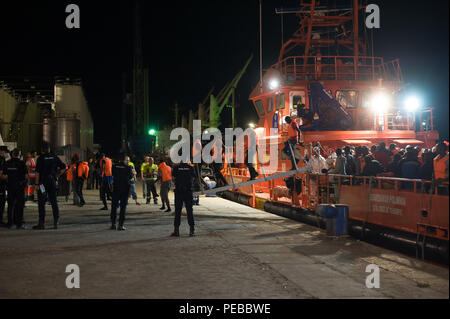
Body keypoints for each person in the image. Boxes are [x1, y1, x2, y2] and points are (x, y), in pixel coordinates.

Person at [33, 142, 67, 230]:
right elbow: (64, 168)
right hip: (52, 181)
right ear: (49, 149)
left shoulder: (40, 158)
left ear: (42, 149)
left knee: (41, 203)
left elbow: (37, 172)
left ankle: (41, 224)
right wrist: (57, 176)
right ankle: (56, 222)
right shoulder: (55, 157)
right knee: (54, 202)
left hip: (42, 183)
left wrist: (36, 184)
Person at [0, 149, 28, 229]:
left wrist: (9, 179)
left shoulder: (7, 163)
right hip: (20, 187)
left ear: (12, 154)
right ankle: (19, 223)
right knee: (19, 205)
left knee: (10, 205)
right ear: (19, 155)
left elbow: (3, 176)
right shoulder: (22, 163)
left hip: (10, 187)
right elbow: (26, 176)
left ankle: (10, 223)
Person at [171, 159, 196, 237]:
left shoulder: (176, 168)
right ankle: (192, 230)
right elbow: (194, 178)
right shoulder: (191, 168)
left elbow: (173, 178)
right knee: (189, 211)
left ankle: (176, 231)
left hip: (179, 191)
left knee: (178, 211)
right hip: (188, 192)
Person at [110, 155, 134, 231]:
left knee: (114, 206)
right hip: (125, 189)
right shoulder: (128, 167)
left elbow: (113, 174)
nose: (128, 162)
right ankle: (120, 225)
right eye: (127, 160)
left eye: (129, 161)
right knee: (123, 207)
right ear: (124, 160)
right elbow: (130, 176)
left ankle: (113, 224)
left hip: (116, 188)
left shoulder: (114, 166)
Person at [0, 146, 8, 226]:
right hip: (1, 184)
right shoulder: (1, 160)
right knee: (1, 202)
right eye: (5, 152)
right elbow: (1, 174)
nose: (6, 154)